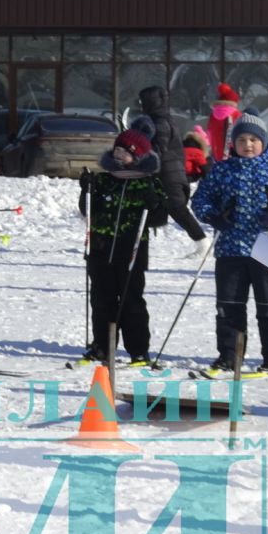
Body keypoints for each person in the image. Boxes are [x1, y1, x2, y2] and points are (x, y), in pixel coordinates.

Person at [191, 109, 268, 378]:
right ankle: (229, 356)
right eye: (242, 140)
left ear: (263, 142)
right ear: (234, 143)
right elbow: (201, 199)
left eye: (254, 140)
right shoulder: (222, 169)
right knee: (229, 305)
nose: (248, 145)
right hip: (231, 248)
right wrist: (213, 216)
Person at [79, 127, 169, 368]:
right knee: (101, 299)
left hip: (131, 250)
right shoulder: (105, 180)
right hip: (101, 248)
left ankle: (138, 350)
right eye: (117, 150)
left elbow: (160, 218)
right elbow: (88, 211)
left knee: (131, 300)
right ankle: (101, 347)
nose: (119, 155)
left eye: (125, 152)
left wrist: (155, 205)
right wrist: (86, 189)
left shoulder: (148, 183)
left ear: (138, 157)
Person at [135, 85, 209, 242]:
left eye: (142, 102)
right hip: (171, 172)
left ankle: (202, 242)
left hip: (168, 174)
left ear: (150, 102)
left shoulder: (159, 121)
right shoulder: (165, 119)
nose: (140, 105)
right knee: (168, 208)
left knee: (178, 209)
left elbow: (158, 148)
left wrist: (140, 150)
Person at [206, 84, 241, 163]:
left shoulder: (213, 115)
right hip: (232, 150)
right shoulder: (236, 114)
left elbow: (209, 132)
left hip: (216, 149)